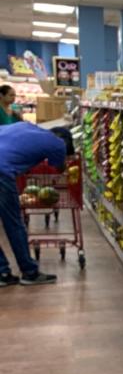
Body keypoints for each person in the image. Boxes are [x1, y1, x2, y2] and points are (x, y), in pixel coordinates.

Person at [0, 122, 72, 286]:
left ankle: (2, 273)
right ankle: (29, 272)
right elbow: (58, 168)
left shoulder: (27, 127)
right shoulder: (58, 143)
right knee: (14, 224)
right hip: (1, 172)